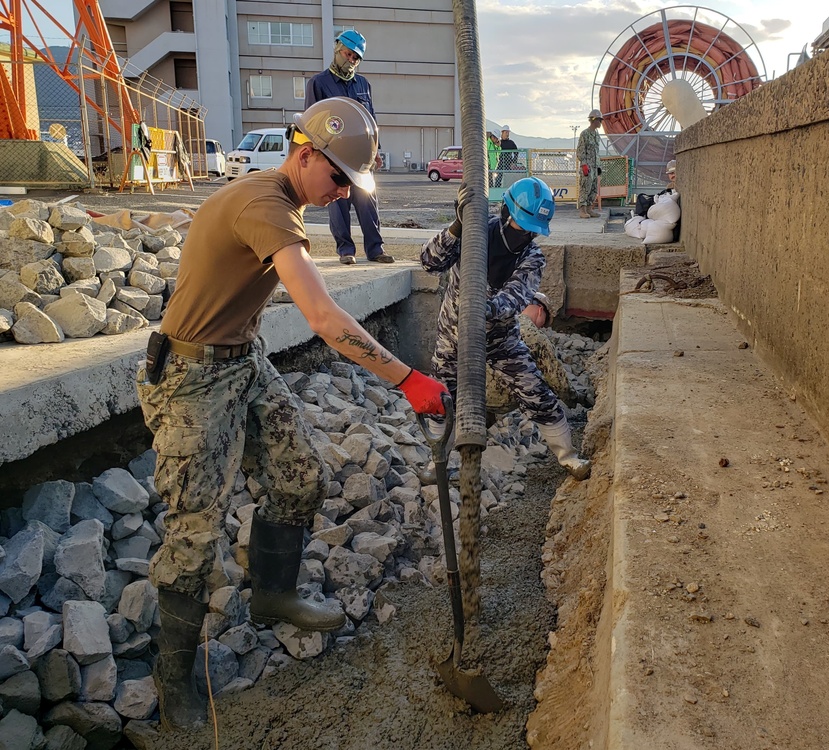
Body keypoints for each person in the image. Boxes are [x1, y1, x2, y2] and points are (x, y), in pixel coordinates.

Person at [137, 96, 448, 732]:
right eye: (337, 178)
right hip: (192, 378)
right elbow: (325, 319)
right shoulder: (265, 205)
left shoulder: (281, 200)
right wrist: (407, 378)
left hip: (240, 359)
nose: (342, 194)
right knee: (196, 532)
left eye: (351, 185)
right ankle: (174, 687)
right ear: (305, 154)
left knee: (298, 473)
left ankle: (272, 596)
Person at [420, 176, 591, 480]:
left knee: (535, 390)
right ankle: (438, 462)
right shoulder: (474, 232)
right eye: (521, 226)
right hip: (453, 336)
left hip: (500, 338)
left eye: (532, 231)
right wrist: (456, 229)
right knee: (441, 398)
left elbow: (514, 297)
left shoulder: (531, 257)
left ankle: (569, 457)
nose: (525, 235)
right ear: (506, 213)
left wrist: (484, 308)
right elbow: (429, 262)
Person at [305, 29, 393, 265]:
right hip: (332, 155)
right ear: (337, 49)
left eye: (356, 58)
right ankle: (346, 250)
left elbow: (370, 120)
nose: (351, 60)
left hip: (361, 156)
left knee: (368, 202)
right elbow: (311, 122)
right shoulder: (318, 83)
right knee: (339, 203)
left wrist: (376, 150)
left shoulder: (363, 84)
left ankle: (375, 249)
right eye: (348, 54)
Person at [577, 108, 604, 219]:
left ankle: (589, 209)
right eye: (599, 120)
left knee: (593, 189)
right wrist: (584, 165)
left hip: (595, 166)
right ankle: (582, 210)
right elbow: (580, 151)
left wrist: (598, 166)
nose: (600, 123)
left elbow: (596, 152)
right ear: (593, 120)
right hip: (587, 166)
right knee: (585, 188)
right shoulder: (585, 134)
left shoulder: (597, 135)